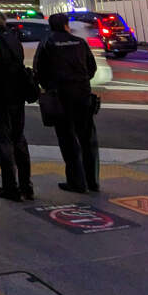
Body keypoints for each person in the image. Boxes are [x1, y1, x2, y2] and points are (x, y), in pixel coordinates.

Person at [33, 13, 100, 194]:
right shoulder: (80, 42)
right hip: (83, 94)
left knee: (68, 140)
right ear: (66, 25)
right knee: (87, 139)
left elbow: (39, 69)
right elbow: (92, 68)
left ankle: (76, 181)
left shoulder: (48, 43)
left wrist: (49, 87)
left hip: (60, 97)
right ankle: (92, 181)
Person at [0, 10, 33, 202]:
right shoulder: (13, 38)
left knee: (3, 142)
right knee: (19, 139)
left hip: (0, 99)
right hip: (17, 96)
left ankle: (10, 187)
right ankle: (26, 186)